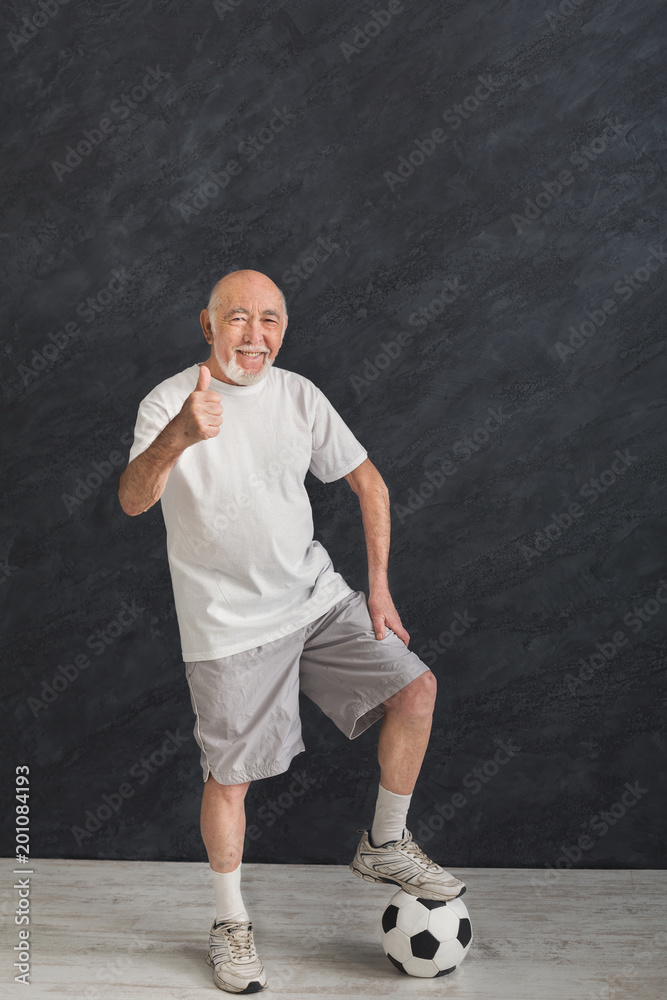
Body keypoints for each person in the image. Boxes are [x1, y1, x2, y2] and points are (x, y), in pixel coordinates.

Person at [118, 269, 465, 994]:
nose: (255, 334)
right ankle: (229, 923)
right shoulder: (168, 401)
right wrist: (180, 435)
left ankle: (385, 842)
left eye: (270, 319)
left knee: (416, 688)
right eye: (238, 318)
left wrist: (376, 588)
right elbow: (131, 499)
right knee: (230, 779)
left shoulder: (299, 394)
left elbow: (370, 484)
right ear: (207, 325)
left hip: (314, 601)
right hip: (226, 626)